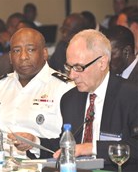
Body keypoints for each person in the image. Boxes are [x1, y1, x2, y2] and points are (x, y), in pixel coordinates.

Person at [29, 29, 138, 171]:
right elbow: (69, 146)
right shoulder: (70, 99)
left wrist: (91, 148)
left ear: (102, 63)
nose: (72, 75)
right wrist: (34, 143)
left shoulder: (131, 95)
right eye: (68, 67)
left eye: (78, 67)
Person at [0, 28, 74, 158]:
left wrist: (34, 142)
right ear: (10, 57)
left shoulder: (64, 88)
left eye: (30, 49)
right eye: (17, 50)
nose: (23, 57)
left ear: (44, 53)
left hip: (41, 165)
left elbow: (72, 143)